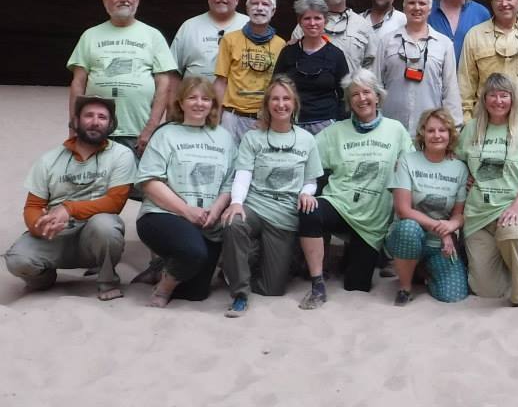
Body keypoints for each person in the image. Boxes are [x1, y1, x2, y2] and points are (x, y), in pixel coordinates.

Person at [298, 70, 414, 308]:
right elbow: (307, 158)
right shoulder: (334, 132)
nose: (362, 99)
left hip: (372, 219)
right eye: (354, 95)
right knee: (309, 210)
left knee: (356, 285)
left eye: (366, 92)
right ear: (348, 102)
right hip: (339, 205)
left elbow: (412, 167)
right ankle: (317, 283)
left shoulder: (396, 130)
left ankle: (351, 256)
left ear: (378, 96)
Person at [3, 96, 135, 301]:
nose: (95, 121)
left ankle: (107, 280)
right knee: (16, 260)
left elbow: (115, 202)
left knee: (107, 226)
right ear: (76, 121)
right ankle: (45, 278)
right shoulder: (49, 159)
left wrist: (69, 209)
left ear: (111, 124)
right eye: (88, 115)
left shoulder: (121, 155)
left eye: (102, 117)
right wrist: (40, 225)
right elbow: (33, 206)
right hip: (56, 234)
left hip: (93, 234)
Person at [220, 76, 323, 317]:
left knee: (272, 288)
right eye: (275, 99)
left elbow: (311, 180)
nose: (281, 104)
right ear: (267, 104)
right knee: (234, 223)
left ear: (294, 104)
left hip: (284, 215)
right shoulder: (253, 138)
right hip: (255, 206)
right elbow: (243, 173)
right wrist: (236, 203)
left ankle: (245, 260)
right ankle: (240, 294)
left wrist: (307, 194)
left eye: (286, 98)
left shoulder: (307, 139)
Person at [135, 77, 236, 307]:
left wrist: (216, 209)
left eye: (205, 98)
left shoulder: (224, 137)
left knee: (195, 292)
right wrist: (186, 210)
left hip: (207, 219)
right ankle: (163, 289)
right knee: (193, 251)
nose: (199, 103)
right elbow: (149, 181)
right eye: (192, 97)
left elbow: (229, 182)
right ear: (180, 103)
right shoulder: (166, 134)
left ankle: (165, 267)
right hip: (164, 215)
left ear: (212, 104)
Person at [68, 0, 177, 155]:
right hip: (95, 131)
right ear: (105, 0)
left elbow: (164, 85)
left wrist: (151, 128)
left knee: (136, 184)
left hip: (138, 133)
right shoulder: (89, 36)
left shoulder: (153, 36)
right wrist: (74, 126)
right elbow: (78, 83)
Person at [457, 73, 518, 307]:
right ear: (484, 99)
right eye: (493, 95)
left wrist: (516, 207)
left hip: (513, 206)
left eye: (504, 95)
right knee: (486, 291)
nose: (498, 100)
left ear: (512, 99)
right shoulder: (471, 129)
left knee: (511, 231)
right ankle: (508, 263)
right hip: (478, 215)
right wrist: (466, 177)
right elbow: (457, 162)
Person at [385, 108, 469, 305]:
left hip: (438, 245)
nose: (437, 135)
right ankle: (405, 287)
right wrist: (443, 230)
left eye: (442, 130)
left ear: (450, 134)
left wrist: (451, 227)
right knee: (408, 228)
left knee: (454, 294)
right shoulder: (408, 160)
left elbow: (459, 215)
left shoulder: (460, 168)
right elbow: (403, 210)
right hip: (407, 237)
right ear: (422, 133)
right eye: (431, 130)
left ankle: (422, 271)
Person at [376, 0, 462, 135]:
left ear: (429, 8)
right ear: (403, 7)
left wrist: (454, 129)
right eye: (411, 3)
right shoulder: (387, 41)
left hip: (429, 132)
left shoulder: (444, 44)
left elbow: (450, 91)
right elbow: (375, 84)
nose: (417, 7)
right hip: (390, 130)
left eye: (422, 3)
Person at [214, 0, 286, 143]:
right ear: (247, 8)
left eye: (265, 4)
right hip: (231, 117)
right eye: (255, 3)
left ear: (273, 11)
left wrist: (270, 118)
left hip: (264, 118)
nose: (259, 8)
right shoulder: (229, 40)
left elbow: (280, 87)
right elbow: (221, 82)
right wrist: (215, 118)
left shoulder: (281, 44)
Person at [275, 0, 349, 134]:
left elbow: (345, 95)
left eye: (317, 18)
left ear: (325, 21)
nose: (312, 23)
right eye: (307, 18)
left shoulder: (336, 55)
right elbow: (275, 87)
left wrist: (339, 125)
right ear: (300, 22)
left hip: (326, 125)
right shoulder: (288, 52)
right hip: (292, 123)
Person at [169, 0, 249, 84]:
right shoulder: (189, 26)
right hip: (196, 98)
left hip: (236, 99)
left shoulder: (249, 25)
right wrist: (173, 100)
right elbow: (173, 72)